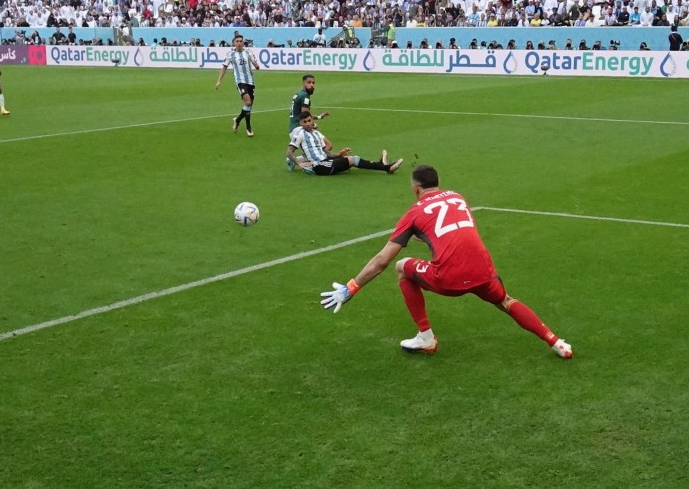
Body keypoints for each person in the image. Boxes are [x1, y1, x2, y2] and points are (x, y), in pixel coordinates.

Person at [319, 165, 573, 359]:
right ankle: (556, 343)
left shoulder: (415, 212)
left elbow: (382, 260)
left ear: (416, 188)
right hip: (484, 271)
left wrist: (351, 287)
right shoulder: (458, 197)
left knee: (401, 267)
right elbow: (453, 230)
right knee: (505, 301)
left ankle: (426, 337)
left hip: (449, 278)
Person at [287, 111, 402, 176]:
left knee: (350, 161)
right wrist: (299, 163)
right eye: (304, 122)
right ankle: (386, 167)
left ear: (313, 120)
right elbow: (289, 152)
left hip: (327, 162)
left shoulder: (317, 134)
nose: (307, 124)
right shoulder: (300, 134)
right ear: (300, 123)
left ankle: (381, 164)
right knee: (353, 159)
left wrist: (339, 154)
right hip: (320, 166)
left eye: (309, 120)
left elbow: (327, 153)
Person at [215, 34, 261, 136]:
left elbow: (255, 63)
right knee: (248, 102)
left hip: (250, 81)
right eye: (237, 41)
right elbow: (224, 67)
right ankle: (248, 128)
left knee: (248, 105)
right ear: (234, 43)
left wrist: (257, 66)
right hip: (240, 81)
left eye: (241, 41)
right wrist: (219, 81)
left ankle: (237, 120)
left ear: (243, 42)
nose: (239, 43)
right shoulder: (230, 54)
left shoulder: (248, 52)